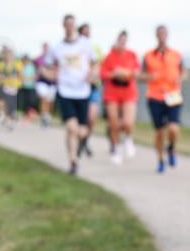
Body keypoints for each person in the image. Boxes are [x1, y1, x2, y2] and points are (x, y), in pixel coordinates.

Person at [44, 14, 99, 175]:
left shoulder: (86, 44)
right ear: (63, 26)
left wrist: (93, 74)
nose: (69, 27)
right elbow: (45, 67)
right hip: (65, 91)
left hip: (82, 91)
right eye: (66, 24)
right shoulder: (57, 47)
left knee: (82, 131)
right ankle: (73, 161)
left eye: (72, 24)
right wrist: (50, 75)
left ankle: (81, 144)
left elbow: (95, 64)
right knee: (71, 128)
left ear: (75, 26)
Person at [140, 25, 186, 174]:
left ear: (167, 35)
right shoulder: (148, 55)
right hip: (155, 95)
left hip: (173, 94)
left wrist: (181, 78)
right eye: (159, 33)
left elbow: (184, 72)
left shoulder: (176, 54)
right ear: (156, 35)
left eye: (164, 33)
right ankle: (160, 160)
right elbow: (141, 75)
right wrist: (148, 77)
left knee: (173, 128)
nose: (162, 36)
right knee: (159, 131)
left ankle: (171, 148)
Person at [100, 30, 140, 165]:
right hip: (112, 92)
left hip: (128, 91)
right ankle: (116, 149)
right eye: (120, 40)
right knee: (114, 123)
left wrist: (125, 73)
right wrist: (114, 74)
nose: (122, 43)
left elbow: (136, 72)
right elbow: (103, 74)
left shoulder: (132, 55)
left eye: (124, 41)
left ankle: (128, 138)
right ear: (117, 41)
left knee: (128, 122)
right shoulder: (109, 56)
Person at [78, 23, 104, 157]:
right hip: (78, 88)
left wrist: (94, 76)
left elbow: (100, 65)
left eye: (88, 32)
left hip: (93, 87)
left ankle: (85, 142)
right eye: (84, 32)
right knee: (80, 119)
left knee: (91, 118)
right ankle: (79, 142)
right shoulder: (75, 48)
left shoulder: (96, 48)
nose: (86, 35)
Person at [0, 46, 22, 130]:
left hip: (13, 87)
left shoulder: (17, 64)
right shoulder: (1, 64)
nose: (8, 57)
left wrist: (18, 80)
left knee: (11, 105)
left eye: (9, 55)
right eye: (6, 55)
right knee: (5, 103)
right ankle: (8, 119)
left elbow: (20, 75)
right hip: (4, 86)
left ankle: (8, 119)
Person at [34, 43, 56, 127]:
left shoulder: (54, 59)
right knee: (44, 99)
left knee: (50, 102)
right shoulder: (39, 59)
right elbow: (41, 70)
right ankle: (44, 117)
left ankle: (48, 116)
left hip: (52, 83)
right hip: (42, 82)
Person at [18, 54, 38, 118]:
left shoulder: (31, 67)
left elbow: (34, 75)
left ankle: (31, 113)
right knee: (24, 101)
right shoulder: (21, 66)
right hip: (23, 86)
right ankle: (26, 113)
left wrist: (28, 78)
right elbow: (20, 74)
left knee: (31, 101)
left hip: (31, 86)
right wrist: (24, 78)